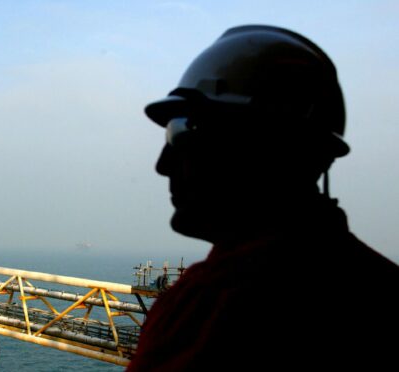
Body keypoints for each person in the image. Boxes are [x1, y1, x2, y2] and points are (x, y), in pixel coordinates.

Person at [127, 25, 399, 371]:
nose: (162, 165)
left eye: (184, 132)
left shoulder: (208, 309)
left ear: (264, 147)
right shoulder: (379, 289)